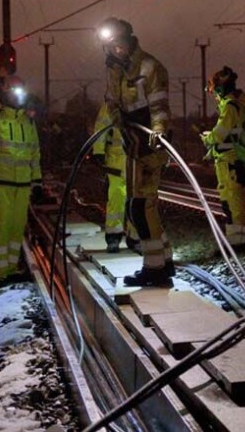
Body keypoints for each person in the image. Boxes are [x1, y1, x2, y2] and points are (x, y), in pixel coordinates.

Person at [98, 17, 174, 287]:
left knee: (140, 207)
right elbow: (112, 104)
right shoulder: (115, 71)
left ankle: (155, 269)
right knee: (140, 205)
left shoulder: (150, 67)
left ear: (129, 41)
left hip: (150, 144)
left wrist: (159, 131)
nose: (115, 50)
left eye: (118, 44)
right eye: (110, 46)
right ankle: (165, 260)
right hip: (132, 143)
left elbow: (159, 106)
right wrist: (123, 129)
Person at [0, 72, 44, 286]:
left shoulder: (28, 122)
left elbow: (34, 154)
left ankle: (11, 269)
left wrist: (37, 182)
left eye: (19, 90)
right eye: (12, 90)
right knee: (0, 229)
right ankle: (0, 274)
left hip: (22, 187)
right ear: (2, 92)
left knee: (16, 228)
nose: (17, 95)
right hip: (0, 185)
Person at [201, 66, 245, 251]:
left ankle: (238, 243)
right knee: (230, 202)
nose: (214, 95)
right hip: (229, 161)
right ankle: (234, 242)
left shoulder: (231, 107)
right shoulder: (235, 106)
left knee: (233, 202)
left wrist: (208, 138)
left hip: (231, 162)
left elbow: (221, 134)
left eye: (214, 91)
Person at [91, 101, 139, 253]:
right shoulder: (109, 107)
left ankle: (135, 237)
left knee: (136, 200)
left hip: (134, 160)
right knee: (116, 198)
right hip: (116, 162)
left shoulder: (139, 103)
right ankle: (114, 236)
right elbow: (101, 128)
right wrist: (98, 151)